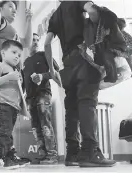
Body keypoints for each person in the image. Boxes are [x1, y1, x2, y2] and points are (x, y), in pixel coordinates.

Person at [44, 1, 116, 167]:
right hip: (85, 57)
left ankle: (72, 153)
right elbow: (93, 12)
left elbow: (47, 43)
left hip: (67, 63)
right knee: (87, 102)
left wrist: (52, 69)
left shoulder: (55, 15)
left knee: (72, 108)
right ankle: (90, 151)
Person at [0, 0, 32, 163]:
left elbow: (26, 44)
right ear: (0, 7)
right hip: (0, 71)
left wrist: (29, 20)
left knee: (7, 117)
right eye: (10, 6)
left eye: (15, 8)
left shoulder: (13, 31)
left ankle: (7, 151)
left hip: (12, 75)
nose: (14, 10)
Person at [0, 40, 29, 169]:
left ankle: (10, 156)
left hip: (14, 106)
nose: (17, 56)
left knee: (9, 132)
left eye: (19, 54)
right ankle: (1, 158)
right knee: (4, 132)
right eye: (14, 52)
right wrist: (8, 77)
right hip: (3, 104)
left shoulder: (16, 70)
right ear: (3, 53)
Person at [23, 33, 59, 164]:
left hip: (43, 94)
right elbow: (23, 83)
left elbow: (57, 71)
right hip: (30, 98)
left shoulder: (44, 55)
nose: (36, 42)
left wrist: (42, 76)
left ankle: (52, 154)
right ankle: (42, 154)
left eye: (38, 40)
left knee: (45, 124)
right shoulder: (25, 62)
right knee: (36, 127)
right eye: (33, 39)